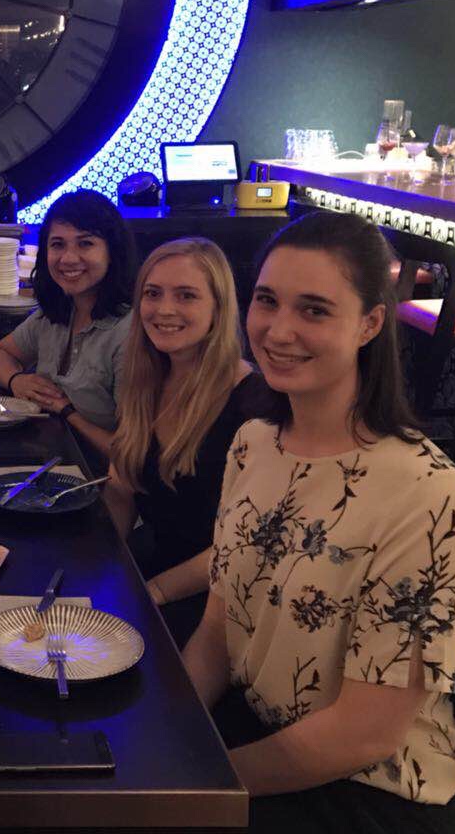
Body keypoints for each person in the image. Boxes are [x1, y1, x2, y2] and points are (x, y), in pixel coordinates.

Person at [182, 211, 455, 833]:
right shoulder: (253, 442)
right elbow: (217, 627)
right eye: (267, 301)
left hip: (367, 791)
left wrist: (197, 788)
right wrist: (166, 736)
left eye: (314, 310)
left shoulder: (427, 494)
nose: (278, 330)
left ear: (370, 324)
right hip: (258, 729)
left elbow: (364, 734)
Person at [102, 238, 275, 646]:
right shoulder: (145, 380)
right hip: (152, 568)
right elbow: (120, 491)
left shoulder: (254, 403)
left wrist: (154, 592)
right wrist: (101, 562)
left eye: (186, 296)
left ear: (218, 308)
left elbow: (245, 545)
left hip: (217, 598)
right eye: (152, 293)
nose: (164, 309)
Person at [0, 189, 138, 458]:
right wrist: (16, 380)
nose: (68, 258)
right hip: (46, 457)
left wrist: (68, 412)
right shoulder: (57, 312)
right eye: (57, 244)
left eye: (85, 244)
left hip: (96, 473)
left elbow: (128, 452)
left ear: (112, 251)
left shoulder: (129, 332)